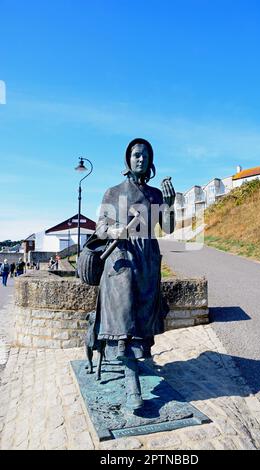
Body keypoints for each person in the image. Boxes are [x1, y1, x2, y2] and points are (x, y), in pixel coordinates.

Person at [95, 138, 176, 410]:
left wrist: (169, 205)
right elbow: (100, 229)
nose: (140, 159)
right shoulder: (113, 192)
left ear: (151, 161)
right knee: (124, 324)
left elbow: (168, 229)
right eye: (136, 155)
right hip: (120, 260)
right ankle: (133, 389)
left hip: (147, 262)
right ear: (128, 160)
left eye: (145, 155)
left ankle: (135, 371)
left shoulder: (154, 195)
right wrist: (117, 231)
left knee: (140, 323)